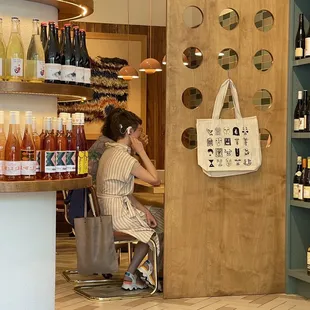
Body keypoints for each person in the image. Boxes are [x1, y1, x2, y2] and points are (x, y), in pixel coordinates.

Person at [96, 108, 164, 291]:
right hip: (119, 216)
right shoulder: (124, 158)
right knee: (162, 222)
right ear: (129, 132)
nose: (141, 134)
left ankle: (134, 274)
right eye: (139, 130)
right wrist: (141, 151)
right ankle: (148, 269)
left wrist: (145, 210)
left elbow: (124, 193)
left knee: (157, 217)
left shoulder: (109, 153)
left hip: (111, 213)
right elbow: (155, 180)